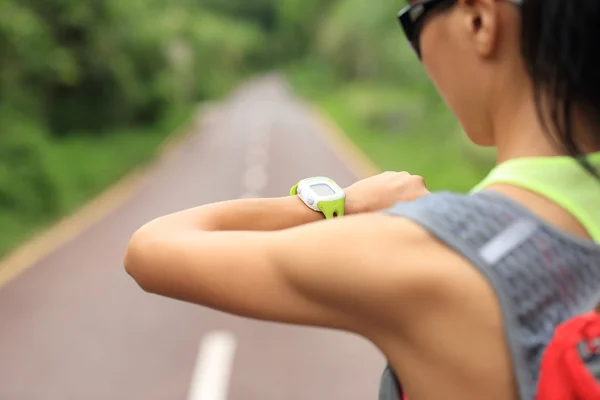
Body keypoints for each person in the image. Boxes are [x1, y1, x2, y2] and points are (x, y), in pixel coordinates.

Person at [124, 0, 600, 399]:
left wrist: (340, 204)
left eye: (413, 21)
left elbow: (151, 247)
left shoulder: (436, 253)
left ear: (479, 20)